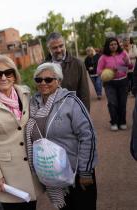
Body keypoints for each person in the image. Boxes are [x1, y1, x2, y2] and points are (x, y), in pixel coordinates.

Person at [26, 62, 98, 210]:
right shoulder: (33, 105)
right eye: (39, 80)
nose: (43, 83)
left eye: (49, 79)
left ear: (58, 81)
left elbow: (88, 135)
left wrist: (85, 171)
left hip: (76, 173)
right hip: (52, 176)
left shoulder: (71, 102)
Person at [0, 55, 42, 210]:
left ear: (15, 74)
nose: (4, 77)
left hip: (30, 167)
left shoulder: (25, 93)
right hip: (7, 172)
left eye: (8, 72)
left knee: (31, 206)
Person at [44, 32, 90, 111]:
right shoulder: (43, 67)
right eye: (54, 48)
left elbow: (84, 92)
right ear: (49, 49)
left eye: (61, 46)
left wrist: (84, 114)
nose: (59, 50)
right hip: (52, 113)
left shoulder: (78, 64)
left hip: (73, 111)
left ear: (65, 45)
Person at [97, 37, 133, 131]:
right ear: (108, 46)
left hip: (123, 82)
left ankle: (122, 122)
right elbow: (99, 71)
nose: (113, 46)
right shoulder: (103, 57)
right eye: (111, 45)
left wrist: (127, 63)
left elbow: (130, 67)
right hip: (110, 83)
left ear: (118, 45)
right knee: (113, 103)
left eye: (115, 44)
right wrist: (109, 71)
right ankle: (114, 122)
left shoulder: (123, 53)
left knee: (122, 103)